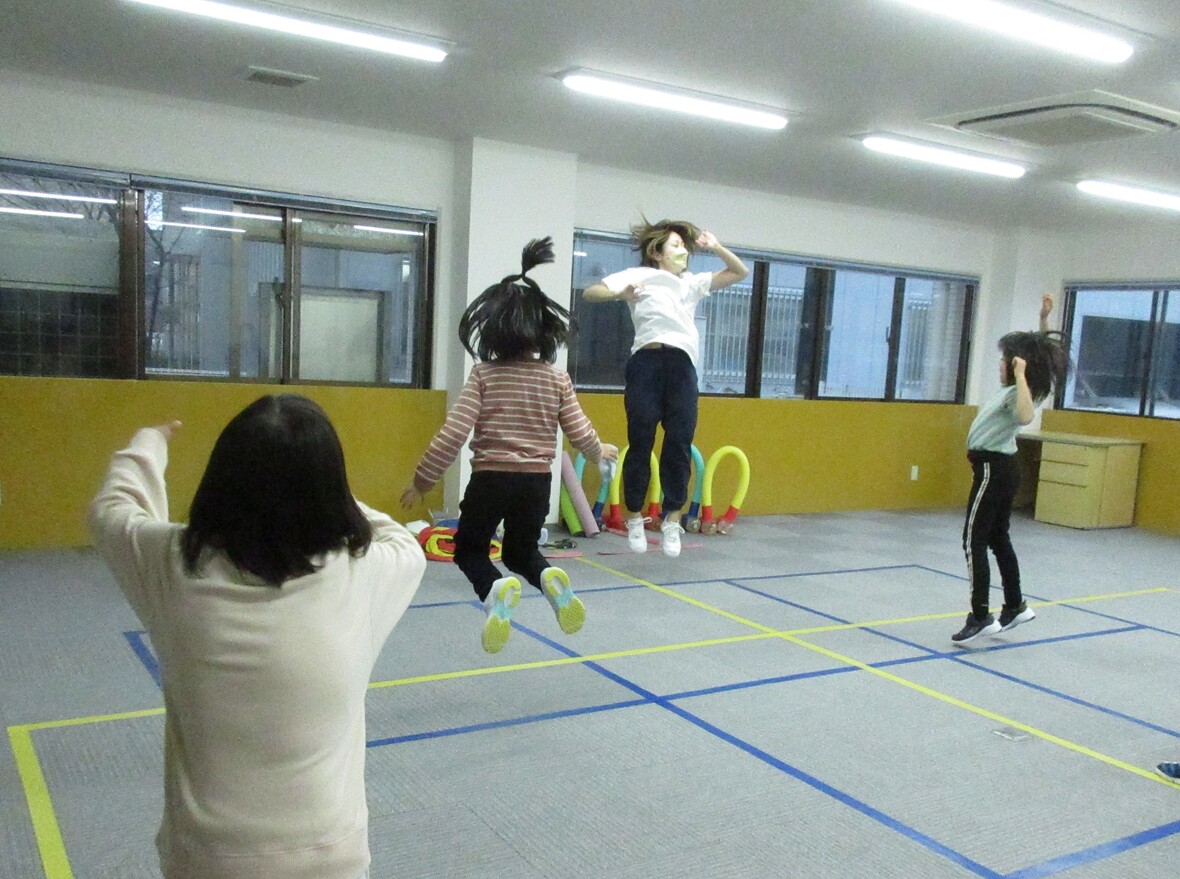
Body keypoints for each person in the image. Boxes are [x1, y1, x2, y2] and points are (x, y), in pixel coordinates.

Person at [88, 395, 426, 879]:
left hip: (207, 860)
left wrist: (149, 445)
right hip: (332, 858)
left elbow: (113, 508)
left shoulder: (171, 565)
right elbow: (401, 540)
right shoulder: (365, 574)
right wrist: (331, 495)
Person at [401, 237, 617, 654]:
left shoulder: (484, 375)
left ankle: (493, 589)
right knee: (521, 551)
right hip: (536, 484)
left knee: (470, 550)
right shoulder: (557, 378)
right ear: (543, 331)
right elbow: (578, 431)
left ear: (493, 331)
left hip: (491, 480)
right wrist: (598, 452)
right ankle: (550, 582)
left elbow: (452, 434)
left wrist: (422, 482)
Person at [582, 218, 748, 558]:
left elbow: (739, 271)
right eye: (676, 245)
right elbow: (591, 292)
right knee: (640, 439)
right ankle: (634, 517)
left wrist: (716, 246)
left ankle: (672, 520)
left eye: (685, 246)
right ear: (657, 252)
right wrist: (620, 294)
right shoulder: (638, 275)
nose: (683, 251)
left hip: (682, 366)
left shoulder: (691, 283)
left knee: (679, 441)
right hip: (645, 362)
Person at [952, 294, 1069, 647]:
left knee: (973, 540)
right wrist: (1044, 320)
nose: (1001, 366)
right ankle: (1015, 605)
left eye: (1005, 362)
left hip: (993, 469)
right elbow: (1044, 356)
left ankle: (980, 615)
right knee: (998, 537)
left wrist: (1019, 374)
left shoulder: (1022, 393)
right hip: (999, 469)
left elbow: (1025, 416)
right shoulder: (1018, 388)